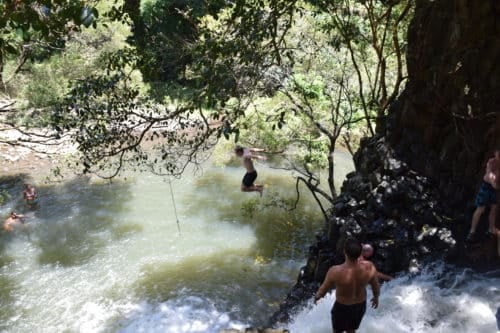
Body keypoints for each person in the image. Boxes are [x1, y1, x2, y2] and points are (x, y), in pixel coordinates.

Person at [315, 237, 380, 333]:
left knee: (337, 331)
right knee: (351, 329)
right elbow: (375, 285)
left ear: (344, 251)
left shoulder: (335, 271)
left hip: (342, 307)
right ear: (361, 253)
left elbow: (323, 289)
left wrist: (317, 297)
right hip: (360, 306)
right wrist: (376, 297)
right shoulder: (369, 267)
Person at [467, 149, 500, 242]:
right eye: (498, 154)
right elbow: (490, 173)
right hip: (486, 187)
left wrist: (495, 184)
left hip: (495, 189)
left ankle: (491, 229)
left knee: (494, 209)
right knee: (480, 208)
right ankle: (472, 231)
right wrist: (493, 181)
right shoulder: (491, 162)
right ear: (495, 153)